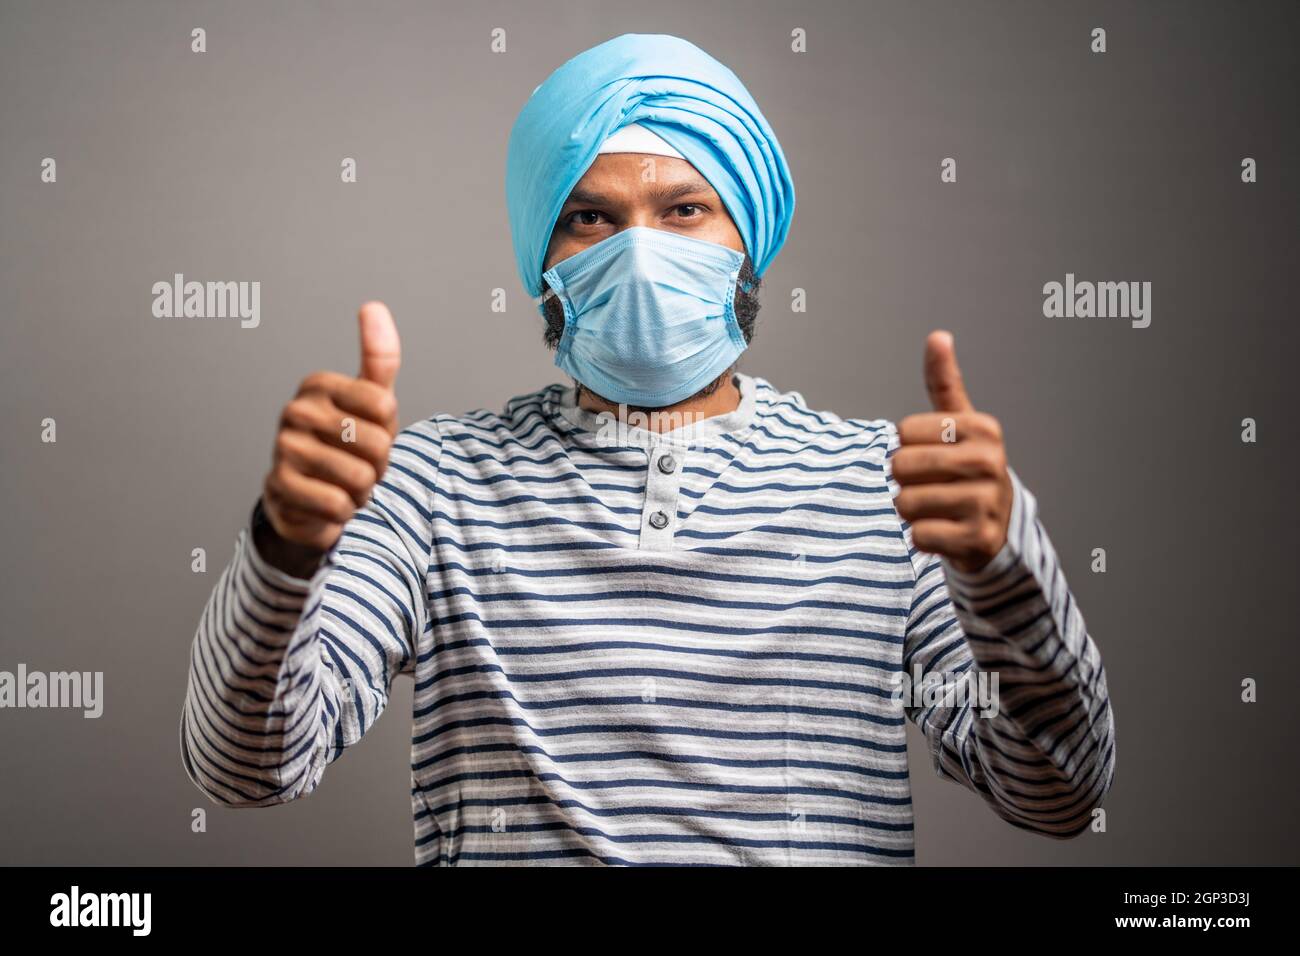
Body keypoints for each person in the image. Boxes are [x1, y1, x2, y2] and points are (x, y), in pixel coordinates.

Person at [180, 33, 1115, 865]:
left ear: (748, 241)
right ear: (541, 260)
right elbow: (247, 767)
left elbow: (1058, 795)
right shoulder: (431, 483)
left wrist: (1004, 573)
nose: (637, 254)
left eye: (682, 212)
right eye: (590, 218)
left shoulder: (888, 486)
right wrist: (286, 549)